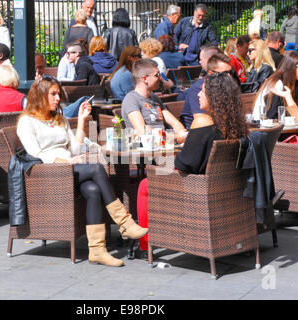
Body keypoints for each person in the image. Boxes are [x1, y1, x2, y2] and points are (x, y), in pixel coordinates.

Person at [16, 77, 148, 267]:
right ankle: (124, 222)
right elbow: (36, 154)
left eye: (58, 94)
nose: (57, 98)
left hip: (70, 168)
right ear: (39, 96)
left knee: (93, 190)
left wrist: (81, 120)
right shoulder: (27, 122)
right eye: (52, 94)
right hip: (51, 173)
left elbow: (76, 149)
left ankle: (97, 251)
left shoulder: (59, 119)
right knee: (96, 168)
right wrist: (68, 162)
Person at [136, 73, 248, 254]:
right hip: (227, 187)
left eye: (202, 92)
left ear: (214, 97)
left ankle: (146, 243)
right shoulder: (236, 126)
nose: (198, 95)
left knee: (144, 185)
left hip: (198, 188)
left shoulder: (203, 127)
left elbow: (184, 165)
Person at [121, 59, 187, 141]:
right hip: (145, 149)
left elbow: (174, 122)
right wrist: (175, 137)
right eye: (157, 75)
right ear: (144, 79)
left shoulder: (155, 98)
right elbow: (143, 132)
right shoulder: (131, 99)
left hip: (164, 145)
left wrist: (182, 133)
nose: (160, 78)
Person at [179, 50, 235, 130]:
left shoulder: (227, 87)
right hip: (196, 133)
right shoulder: (199, 90)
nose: (229, 77)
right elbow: (202, 122)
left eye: (231, 72)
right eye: (224, 74)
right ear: (210, 73)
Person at [252, 51, 298, 120]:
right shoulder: (278, 83)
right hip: (263, 126)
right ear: (291, 66)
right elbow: (271, 115)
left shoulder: (297, 84)